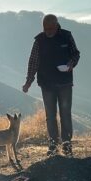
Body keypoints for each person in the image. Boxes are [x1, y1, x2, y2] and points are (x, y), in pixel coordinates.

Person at [22, 14, 80, 157]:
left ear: (56, 25)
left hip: (65, 82)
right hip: (46, 84)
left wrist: (71, 64)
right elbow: (33, 62)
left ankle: (66, 145)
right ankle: (53, 144)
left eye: (50, 28)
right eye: (45, 28)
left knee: (65, 114)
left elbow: (75, 54)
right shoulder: (39, 40)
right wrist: (28, 82)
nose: (47, 31)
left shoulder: (66, 36)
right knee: (50, 115)